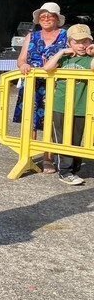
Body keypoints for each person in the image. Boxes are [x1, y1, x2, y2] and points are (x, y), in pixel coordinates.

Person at [13, 1, 67, 173]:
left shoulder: (66, 35)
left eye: (50, 16)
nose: (46, 19)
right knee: (30, 121)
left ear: (57, 18)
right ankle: (27, 155)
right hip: (32, 84)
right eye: (42, 16)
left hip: (56, 85)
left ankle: (47, 158)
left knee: (51, 121)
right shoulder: (32, 36)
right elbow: (21, 59)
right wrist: (23, 65)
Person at [43, 23, 94, 185]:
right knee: (61, 139)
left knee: (75, 139)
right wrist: (61, 52)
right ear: (69, 42)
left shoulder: (89, 60)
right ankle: (64, 171)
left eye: (85, 41)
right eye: (77, 42)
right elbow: (47, 68)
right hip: (60, 106)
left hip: (81, 106)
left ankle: (74, 168)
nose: (81, 45)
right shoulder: (64, 58)